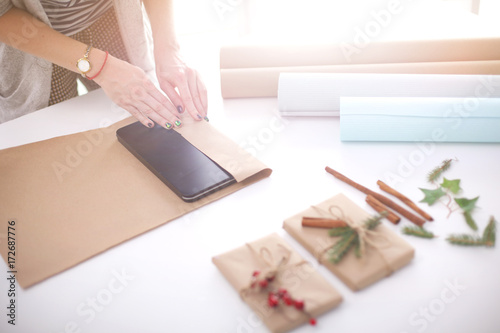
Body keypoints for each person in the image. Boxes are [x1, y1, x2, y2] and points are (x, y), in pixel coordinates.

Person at [0, 0, 208, 127]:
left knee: (137, 120)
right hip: (35, 42)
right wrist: (101, 68)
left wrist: (168, 48)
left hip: (114, 20)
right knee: (49, 139)